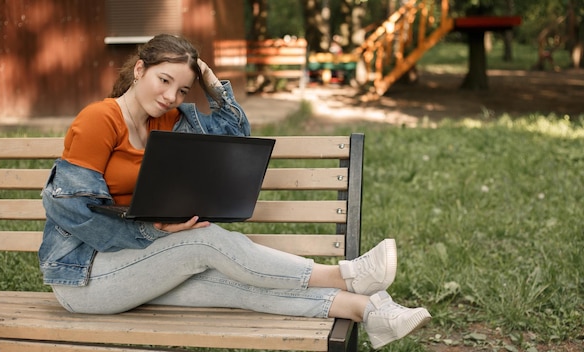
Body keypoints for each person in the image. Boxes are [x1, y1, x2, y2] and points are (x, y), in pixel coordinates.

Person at [39, 33, 431, 349]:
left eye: (182, 89)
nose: (171, 96)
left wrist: (208, 81)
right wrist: (153, 233)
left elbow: (233, 137)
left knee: (236, 285)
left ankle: (368, 310)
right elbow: (71, 211)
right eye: (164, 80)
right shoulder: (99, 118)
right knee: (204, 240)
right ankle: (346, 275)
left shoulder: (170, 122)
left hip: (139, 267)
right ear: (139, 69)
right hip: (85, 277)